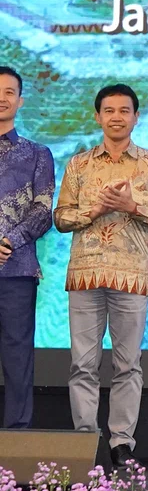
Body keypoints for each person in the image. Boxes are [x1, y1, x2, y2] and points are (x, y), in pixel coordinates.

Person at [54, 84, 148, 467]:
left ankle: (121, 443)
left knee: (128, 364)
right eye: (109, 110)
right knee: (82, 364)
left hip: (131, 276)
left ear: (136, 117)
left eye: (124, 110)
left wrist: (132, 205)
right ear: (97, 117)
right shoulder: (79, 164)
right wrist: (92, 211)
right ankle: (85, 442)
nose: (117, 117)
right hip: (85, 275)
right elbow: (60, 217)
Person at [0, 65, 54, 429]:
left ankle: (16, 437)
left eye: (8, 91)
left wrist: (8, 241)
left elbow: (43, 210)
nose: (1, 98)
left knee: (18, 356)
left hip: (16, 272)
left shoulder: (37, 153)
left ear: (21, 101)